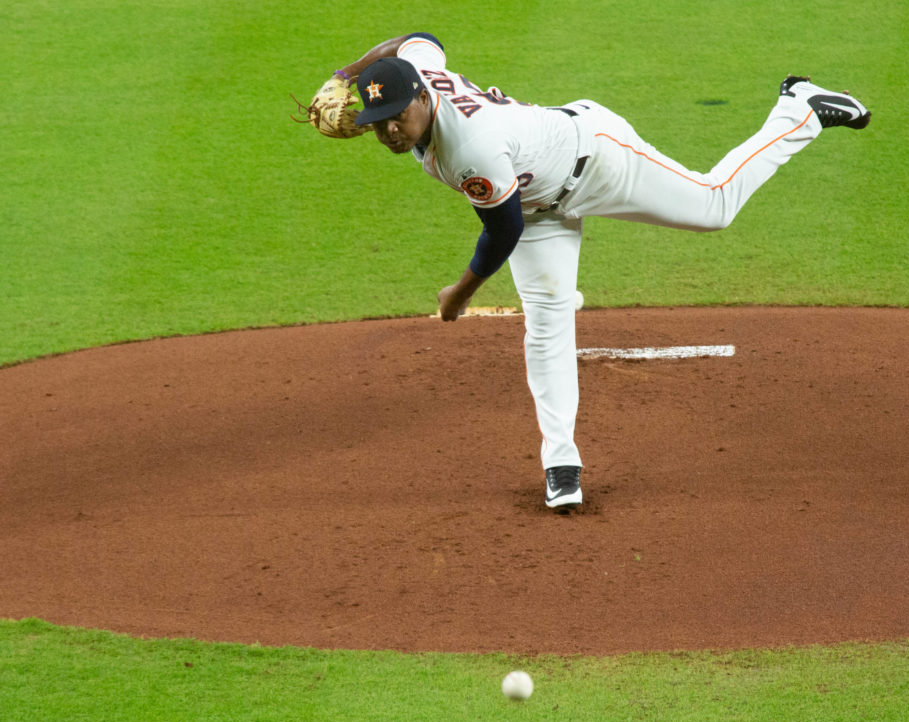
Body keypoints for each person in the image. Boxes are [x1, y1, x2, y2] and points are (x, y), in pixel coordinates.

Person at [331, 33, 871, 511]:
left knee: (715, 206)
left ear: (424, 97)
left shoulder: (469, 149)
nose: (393, 131)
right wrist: (344, 76)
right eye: (380, 124)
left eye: (400, 115)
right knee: (545, 326)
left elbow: (503, 231)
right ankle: (561, 468)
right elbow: (415, 39)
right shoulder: (417, 77)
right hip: (537, 198)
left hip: (596, 159)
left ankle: (799, 110)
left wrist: (459, 295)